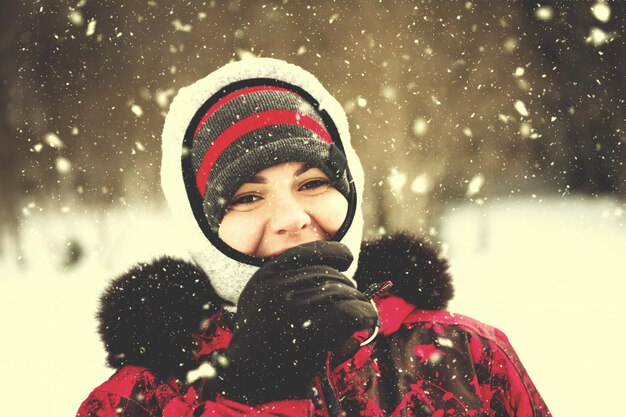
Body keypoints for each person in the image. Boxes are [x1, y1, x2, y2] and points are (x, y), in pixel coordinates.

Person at [77, 58, 552, 417]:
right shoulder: (137, 400)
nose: (291, 218)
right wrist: (250, 392)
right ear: (201, 224)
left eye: (312, 184)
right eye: (246, 197)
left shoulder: (466, 355)